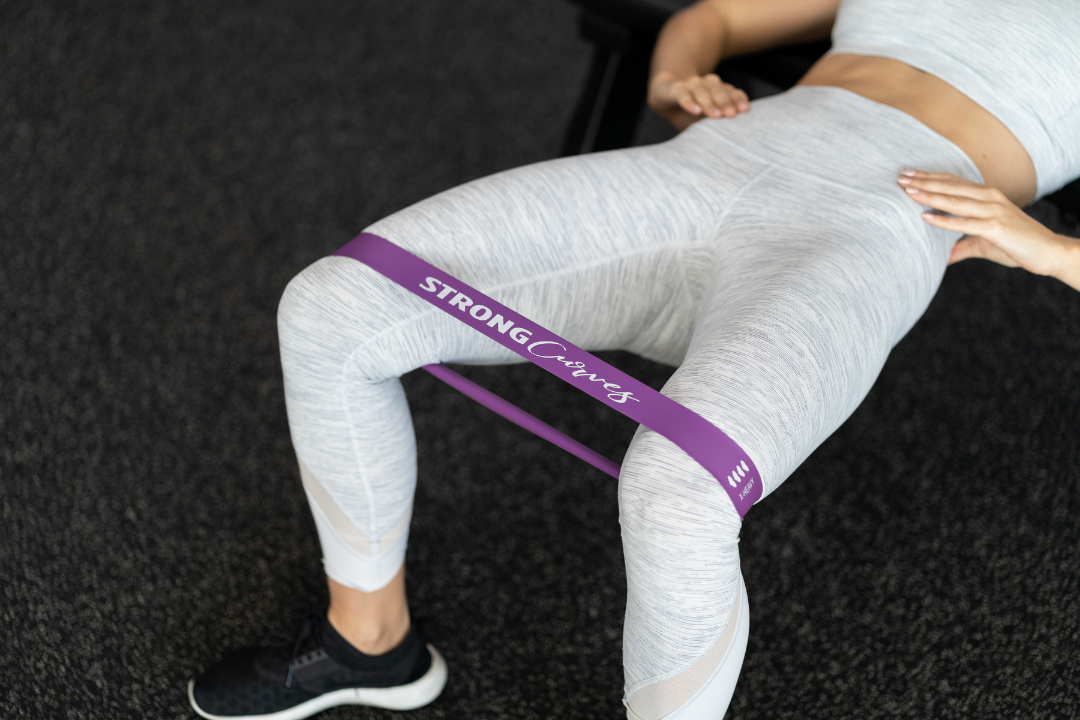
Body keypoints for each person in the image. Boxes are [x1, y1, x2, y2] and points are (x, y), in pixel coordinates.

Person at [187, 0, 1080, 718]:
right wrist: (674, 75)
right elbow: (715, 21)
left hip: (869, 228)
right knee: (332, 306)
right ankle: (369, 645)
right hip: (717, 158)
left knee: (677, 492)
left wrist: (1051, 250)